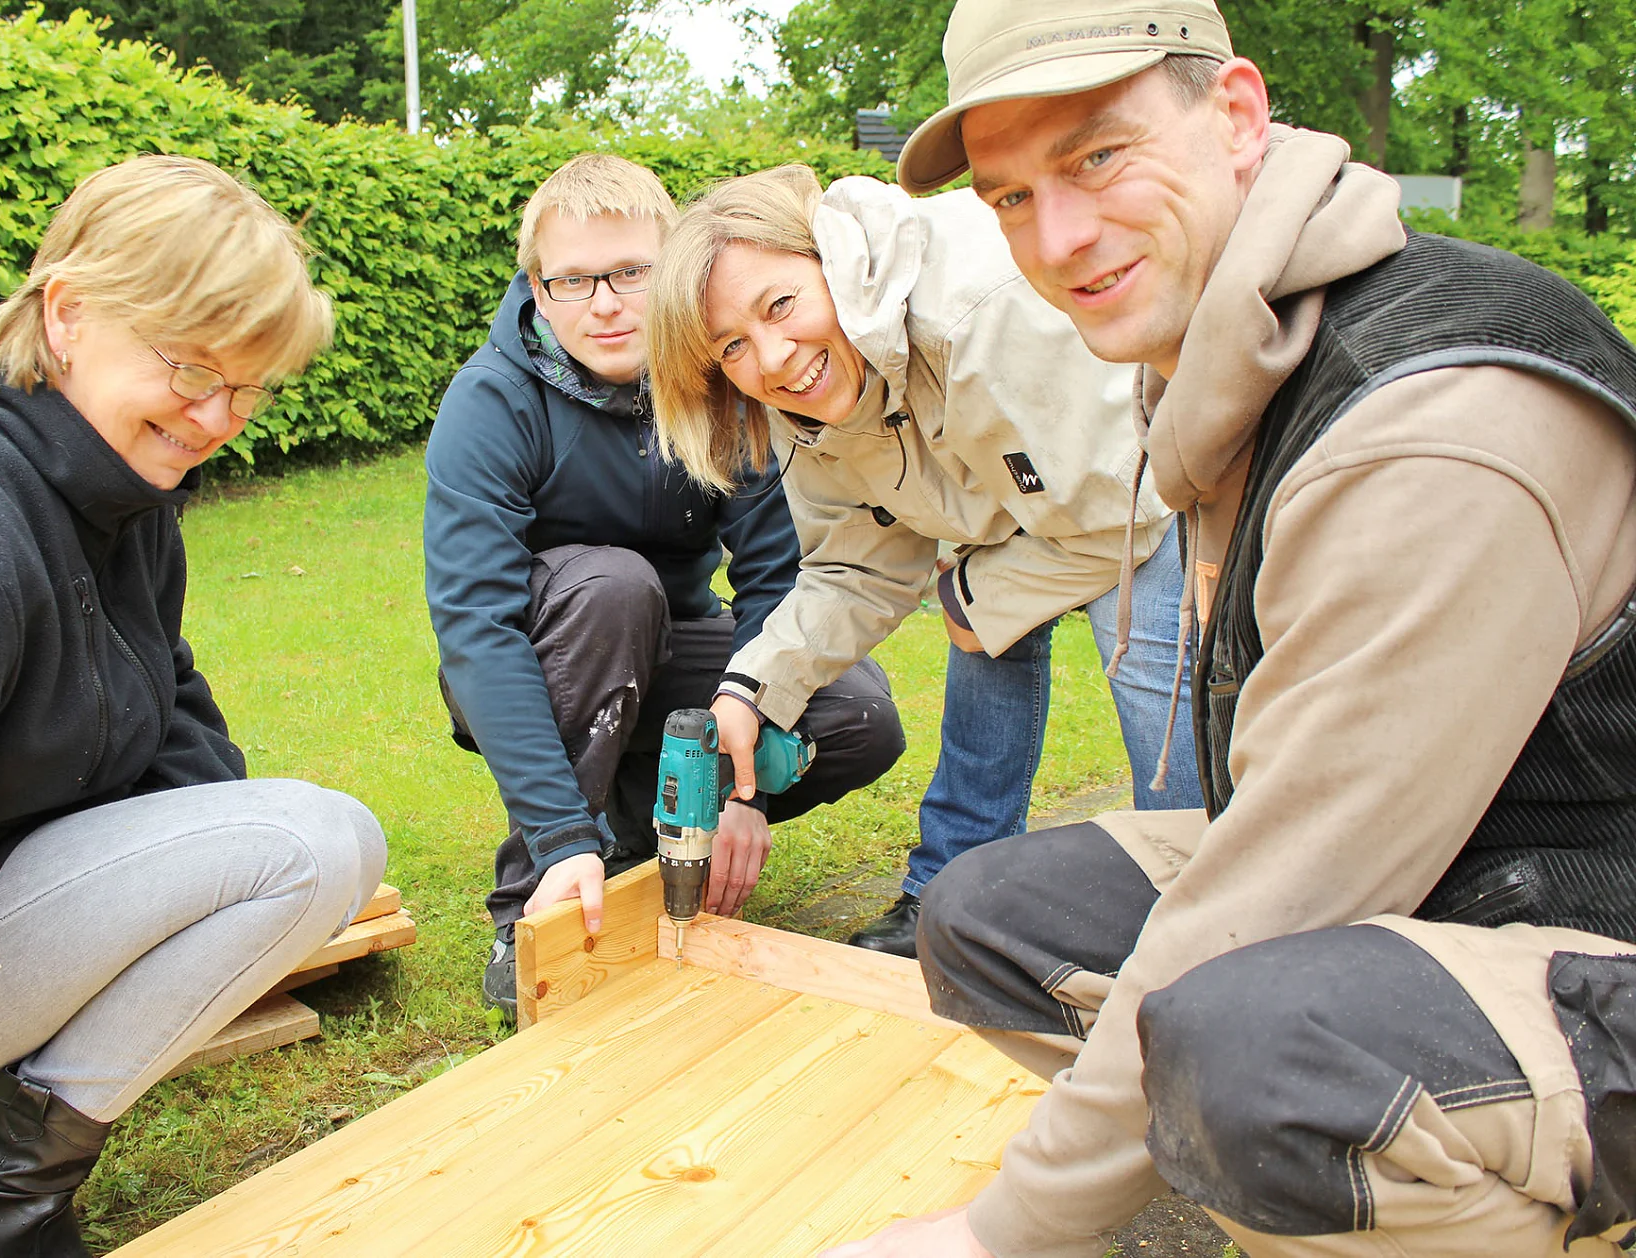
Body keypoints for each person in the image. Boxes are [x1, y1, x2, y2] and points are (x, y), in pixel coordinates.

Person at [822, 1, 1636, 1255]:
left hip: (1599, 917)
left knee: (1257, 1056)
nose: (1061, 237)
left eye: (1098, 156)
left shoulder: (1427, 419)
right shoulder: (1245, 347)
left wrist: (1000, 1230)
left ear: (1240, 116)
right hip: (1470, 873)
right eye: (1011, 198)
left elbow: (1297, 876)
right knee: (985, 917)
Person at [0, 155, 387, 1258]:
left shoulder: (119, 500)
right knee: (313, 841)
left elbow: (170, 717)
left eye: (248, 388)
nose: (217, 416)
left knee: (300, 853)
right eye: (190, 369)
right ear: (68, 315)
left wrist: (179, 904)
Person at [646, 164, 1199, 958]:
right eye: (733, 346)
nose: (773, 358)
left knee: (1147, 654)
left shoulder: (978, 308)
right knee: (983, 628)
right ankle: (948, 894)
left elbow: (1128, 512)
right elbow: (855, 570)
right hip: (1034, 491)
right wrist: (750, 689)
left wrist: (979, 598)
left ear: (828, 257)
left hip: (1152, 479)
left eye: (781, 305)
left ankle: (1203, 907)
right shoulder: (804, 404)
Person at [423, 154, 904, 1014]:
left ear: (672, 271)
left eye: (631, 273)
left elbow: (771, 577)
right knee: (615, 587)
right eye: (573, 279)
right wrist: (560, 830)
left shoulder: (725, 387)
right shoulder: (488, 404)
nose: (603, 303)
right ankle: (538, 890)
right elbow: (476, 630)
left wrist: (743, 785)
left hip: (678, 658)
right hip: (547, 660)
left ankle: (653, 830)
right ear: (537, 288)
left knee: (859, 714)